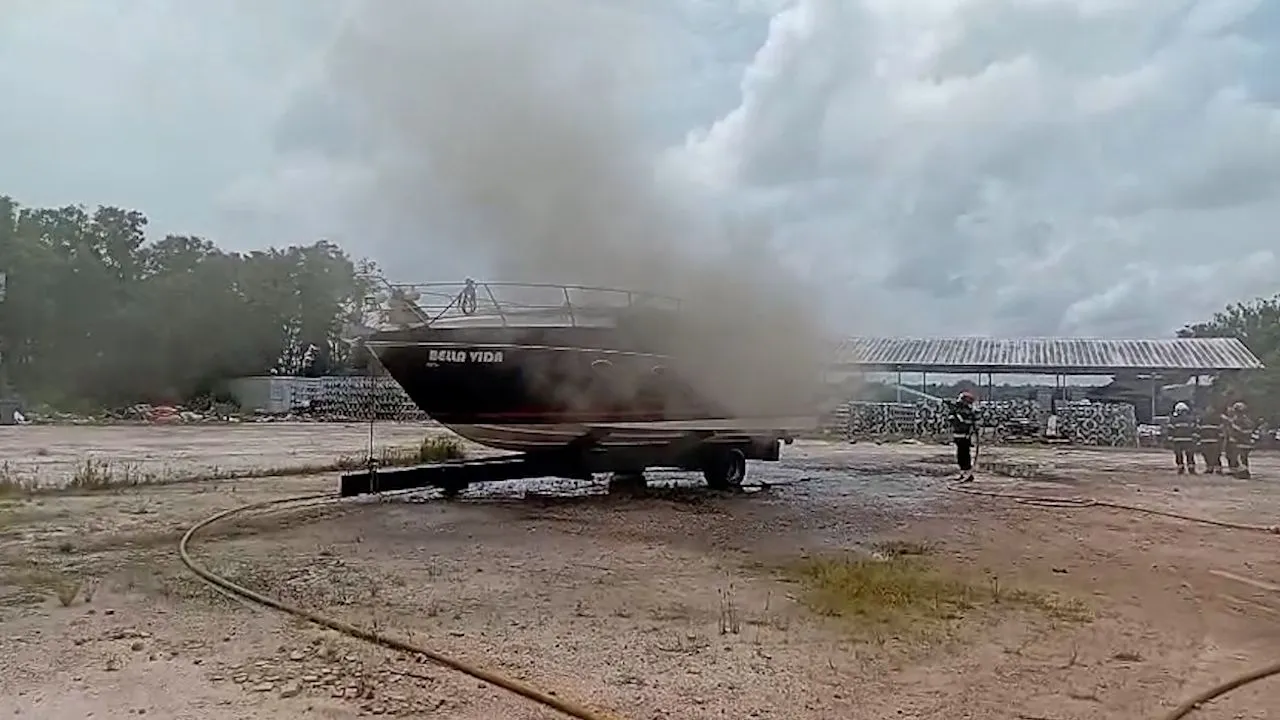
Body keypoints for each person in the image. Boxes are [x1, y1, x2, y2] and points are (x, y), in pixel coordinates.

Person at [947, 391, 978, 482]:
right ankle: (963, 473)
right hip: (959, 437)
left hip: (964, 437)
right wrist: (951, 410)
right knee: (960, 456)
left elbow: (962, 422)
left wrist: (954, 413)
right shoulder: (959, 409)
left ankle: (968, 474)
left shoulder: (968, 411)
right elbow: (952, 419)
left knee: (964, 456)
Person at [1224, 401, 1257, 479]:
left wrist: (1232, 425)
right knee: (1242, 458)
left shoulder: (1239, 421)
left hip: (1240, 442)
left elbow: (1240, 431)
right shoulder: (1247, 420)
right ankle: (1242, 472)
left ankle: (1243, 473)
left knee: (1239, 458)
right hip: (1245, 443)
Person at [1166, 402, 1198, 474]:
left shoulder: (1173, 420)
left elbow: (1170, 430)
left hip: (1178, 441)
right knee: (1190, 455)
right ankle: (1191, 468)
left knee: (1179, 455)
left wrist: (1170, 439)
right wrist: (1195, 439)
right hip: (1188, 440)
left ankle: (1181, 468)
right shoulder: (1191, 419)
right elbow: (1195, 430)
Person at [1197, 404, 1224, 474]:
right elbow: (1198, 429)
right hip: (1205, 441)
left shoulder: (1217, 419)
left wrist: (1220, 440)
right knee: (1206, 455)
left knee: (1216, 456)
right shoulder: (1202, 419)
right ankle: (1209, 468)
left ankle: (1218, 469)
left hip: (1214, 441)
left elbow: (1220, 430)